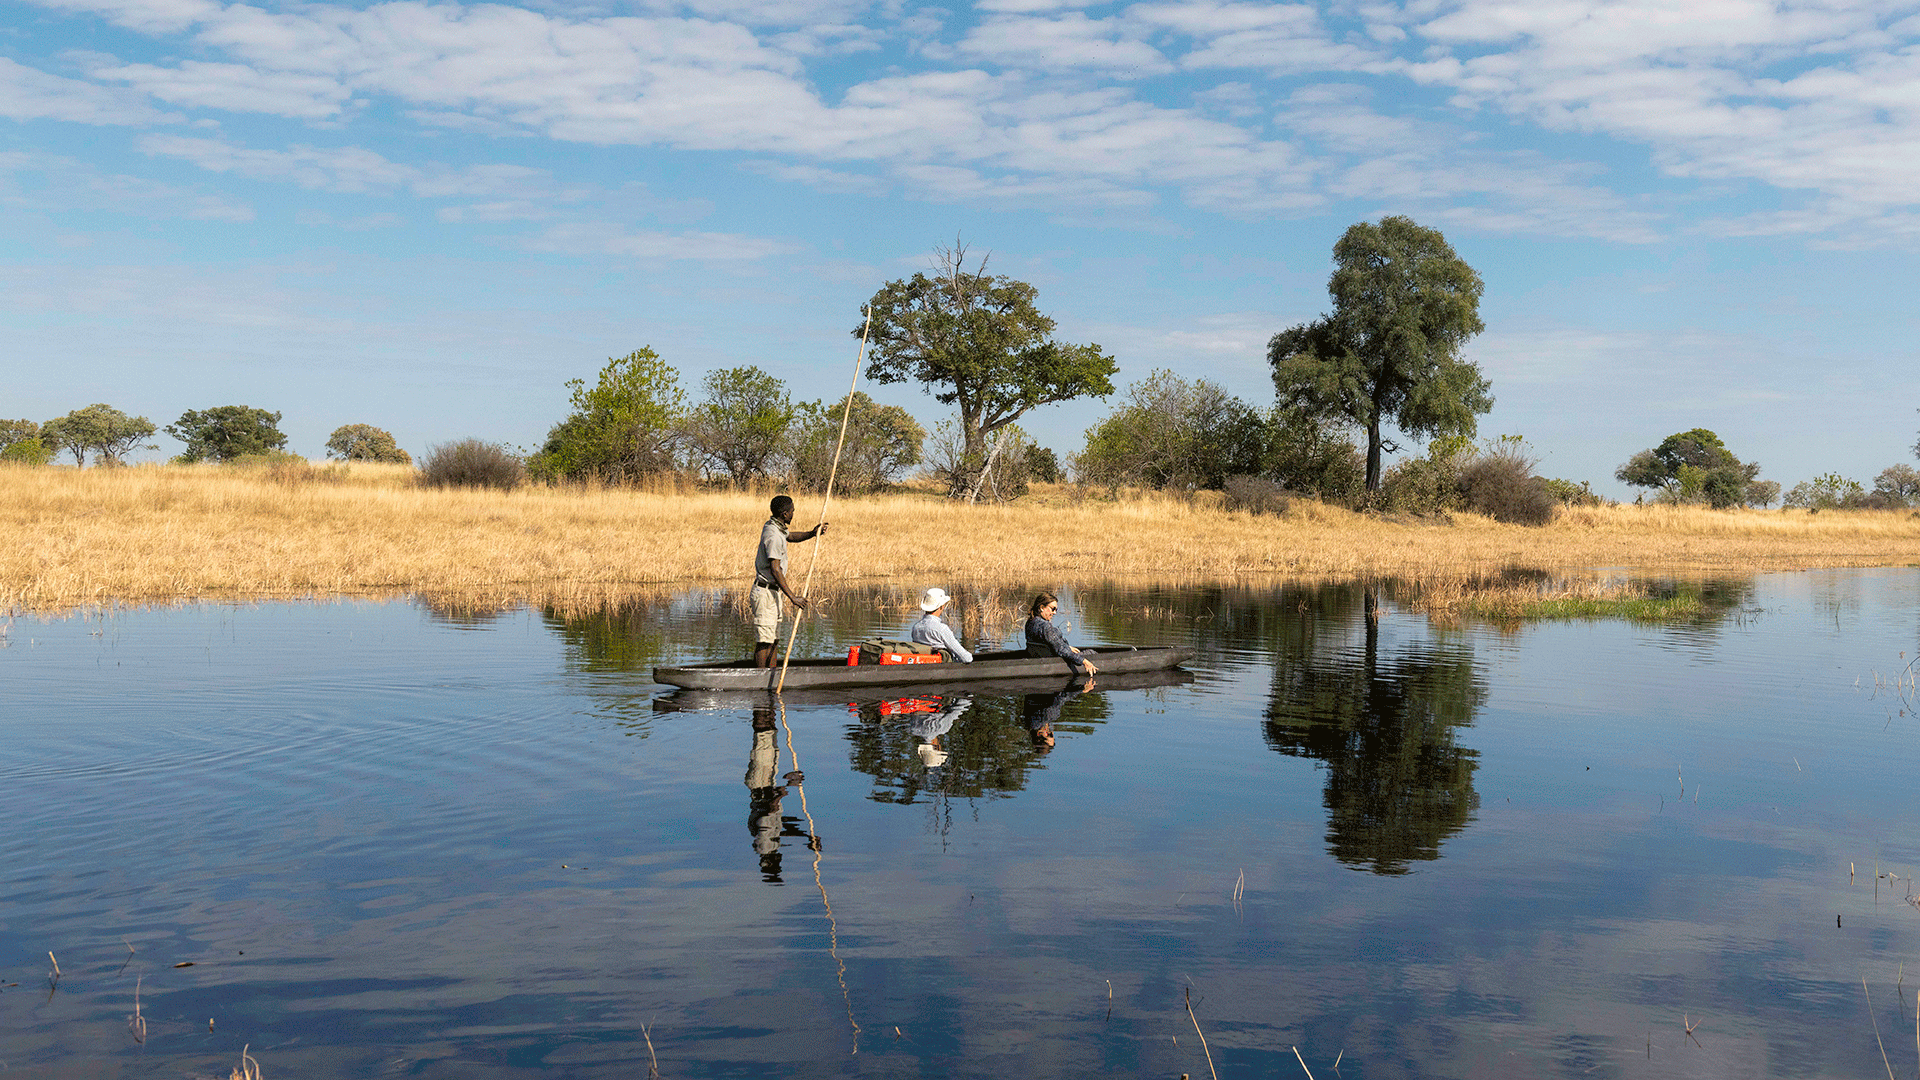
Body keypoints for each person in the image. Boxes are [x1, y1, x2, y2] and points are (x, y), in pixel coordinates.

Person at [751, 495, 826, 667]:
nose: (793, 513)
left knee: (773, 639)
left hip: (773, 593)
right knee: (765, 641)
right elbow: (775, 569)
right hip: (765, 594)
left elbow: (790, 536)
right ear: (784, 514)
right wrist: (793, 597)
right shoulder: (773, 535)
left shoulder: (775, 526)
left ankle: (772, 673)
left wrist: (812, 533)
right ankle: (761, 677)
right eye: (792, 511)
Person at [1023, 591, 1098, 678]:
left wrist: (1067, 647)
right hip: (1053, 659)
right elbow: (1062, 650)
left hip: (1039, 657)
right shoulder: (1045, 626)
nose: (1054, 613)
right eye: (1053, 609)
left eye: (1056, 610)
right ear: (1042, 607)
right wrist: (1084, 662)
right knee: (1091, 652)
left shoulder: (1030, 622)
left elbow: (1047, 643)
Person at [909, 587, 972, 663]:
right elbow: (967, 658)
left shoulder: (916, 627)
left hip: (923, 664)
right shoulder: (942, 629)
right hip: (942, 667)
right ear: (942, 606)